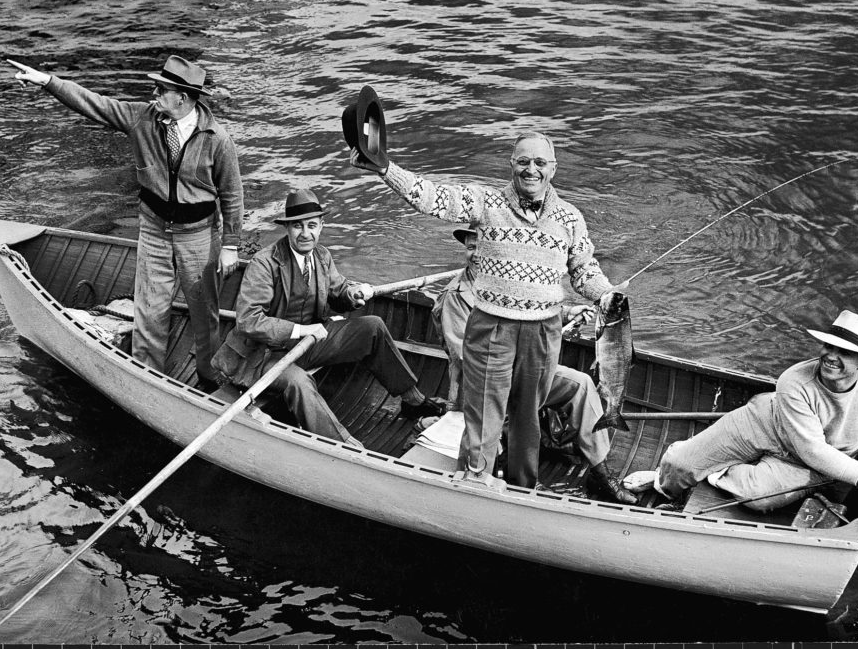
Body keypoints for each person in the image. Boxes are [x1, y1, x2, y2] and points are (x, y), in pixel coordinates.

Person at [351, 130, 621, 490]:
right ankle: (475, 481)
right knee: (483, 413)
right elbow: (433, 198)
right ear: (512, 164)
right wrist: (385, 168)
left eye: (540, 163)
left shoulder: (571, 219)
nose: (531, 170)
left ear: (553, 169)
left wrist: (605, 295)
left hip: (543, 333)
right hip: (492, 326)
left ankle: (524, 489)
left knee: (528, 417)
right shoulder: (486, 202)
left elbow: (584, 271)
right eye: (523, 161)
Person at [9, 55, 243, 392]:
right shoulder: (141, 118)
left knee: (204, 311)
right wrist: (48, 81)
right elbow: (95, 104)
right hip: (154, 228)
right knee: (150, 308)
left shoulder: (217, 139)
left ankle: (208, 377)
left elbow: (232, 193)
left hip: (199, 235)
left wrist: (231, 245)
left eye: (161, 89)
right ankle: (149, 380)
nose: (154, 94)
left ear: (183, 97)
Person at [211, 189, 445, 445]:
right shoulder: (264, 263)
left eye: (312, 225)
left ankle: (412, 400)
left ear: (321, 226)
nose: (305, 233)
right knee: (299, 382)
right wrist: (302, 330)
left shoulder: (321, 256)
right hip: (262, 355)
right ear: (287, 229)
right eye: (298, 226)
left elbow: (339, 292)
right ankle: (341, 444)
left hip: (307, 345)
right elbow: (248, 320)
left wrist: (353, 293)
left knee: (373, 327)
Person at [649, 310, 858, 511]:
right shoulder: (794, 380)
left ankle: (718, 471)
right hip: (766, 423)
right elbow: (813, 447)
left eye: (845, 353)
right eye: (829, 347)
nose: (831, 357)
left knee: (757, 498)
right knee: (679, 465)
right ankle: (681, 470)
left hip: (812, 462)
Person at [431, 226, 637, 503]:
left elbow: (534, 310)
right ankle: (483, 482)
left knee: (582, 386)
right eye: (471, 247)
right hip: (482, 385)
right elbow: (467, 359)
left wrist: (565, 314)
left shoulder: (510, 281)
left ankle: (600, 473)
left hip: (527, 372)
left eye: (485, 246)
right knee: (504, 411)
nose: (477, 254)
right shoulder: (455, 297)